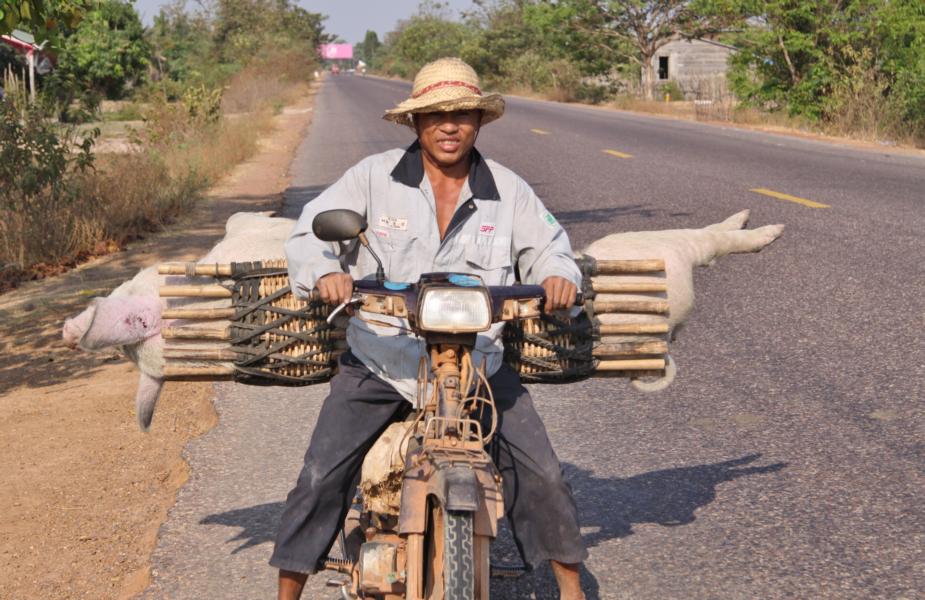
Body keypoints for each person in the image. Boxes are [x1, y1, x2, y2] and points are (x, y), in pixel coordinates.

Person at [273, 57, 588, 600]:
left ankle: (572, 589)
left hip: (477, 364)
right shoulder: (373, 178)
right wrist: (325, 270)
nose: (449, 126)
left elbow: (551, 248)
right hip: (383, 356)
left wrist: (558, 277)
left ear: (479, 122)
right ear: (416, 123)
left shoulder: (508, 191)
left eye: (462, 114)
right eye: (436, 115)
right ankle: (287, 591)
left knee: (544, 474)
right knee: (321, 474)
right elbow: (309, 234)